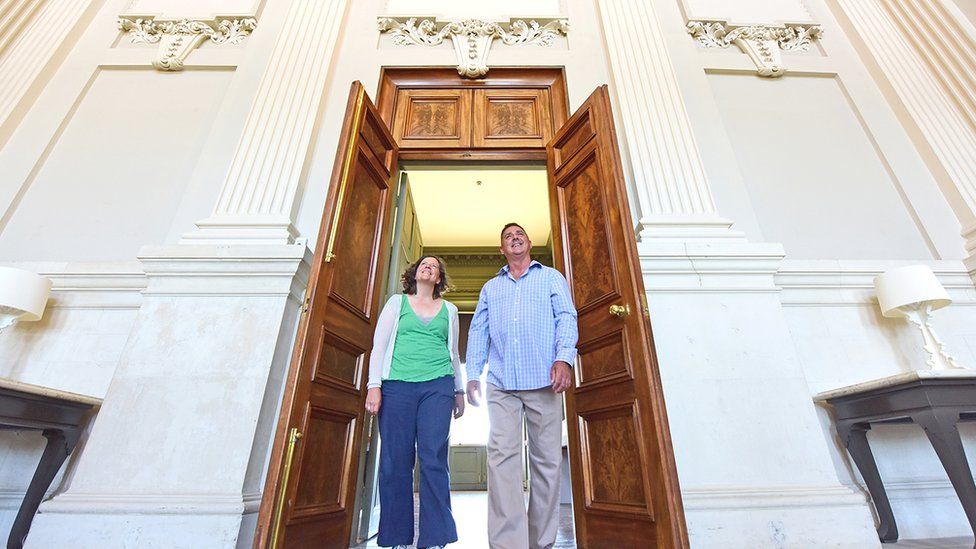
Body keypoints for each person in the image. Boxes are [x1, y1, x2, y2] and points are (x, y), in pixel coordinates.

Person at [466, 223, 579, 549]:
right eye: (507, 236)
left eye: (519, 234)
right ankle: (508, 543)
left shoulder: (551, 277)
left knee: (546, 462)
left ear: (529, 243)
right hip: (501, 384)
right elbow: (478, 331)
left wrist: (564, 358)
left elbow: (566, 318)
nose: (514, 238)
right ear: (502, 249)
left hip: (544, 381)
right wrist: (473, 373)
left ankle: (540, 542)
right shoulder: (491, 287)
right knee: (502, 460)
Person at [365, 255, 466, 549]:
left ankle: (436, 538)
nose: (429, 267)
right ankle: (396, 537)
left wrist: (458, 391)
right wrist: (375, 386)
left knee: (434, 458)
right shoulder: (397, 304)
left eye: (434, 266)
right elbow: (378, 347)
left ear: (438, 279)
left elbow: (455, 354)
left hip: (438, 386)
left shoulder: (450, 310)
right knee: (395, 460)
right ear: (415, 272)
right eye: (425, 263)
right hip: (397, 387)